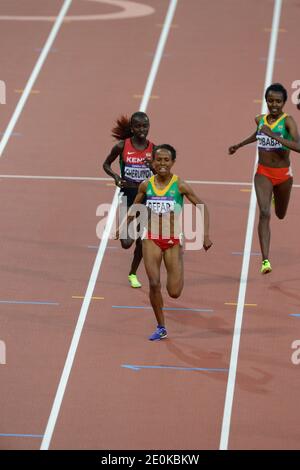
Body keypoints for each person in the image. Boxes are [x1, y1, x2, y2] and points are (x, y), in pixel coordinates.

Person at [118, 144, 212, 341]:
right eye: (158, 160)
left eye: (166, 160)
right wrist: (123, 226)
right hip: (151, 238)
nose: (162, 164)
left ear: (172, 162)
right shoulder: (146, 185)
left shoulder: (180, 186)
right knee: (153, 283)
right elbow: (136, 206)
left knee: (174, 292)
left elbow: (202, 206)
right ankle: (161, 326)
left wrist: (205, 235)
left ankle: (179, 263)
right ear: (153, 162)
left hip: (172, 240)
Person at [229, 83, 300, 274]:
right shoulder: (260, 119)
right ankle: (265, 261)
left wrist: (275, 137)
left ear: (284, 102)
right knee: (265, 213)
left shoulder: (288, 122)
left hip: (283, 175)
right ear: (266, 100)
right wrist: (239, 145)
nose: (274, 104)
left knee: (280, 214)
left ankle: (277, 198)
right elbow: (258, 134)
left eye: (278, 101)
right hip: (263, 173)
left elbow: (298, 146)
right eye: (270, 100)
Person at [103, 112, 154, 288]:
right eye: (139, 126)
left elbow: (160, 172)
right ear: (132, 128)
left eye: (145, 126)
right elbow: (106, 164)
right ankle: (131, 232)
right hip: (127, 195)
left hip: (145, 199)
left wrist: (153, 168)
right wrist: (116, 177)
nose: (142, 129)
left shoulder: (153, 149)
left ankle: (132, 273)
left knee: (142, 239)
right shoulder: (121, 146)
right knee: (126, 243)